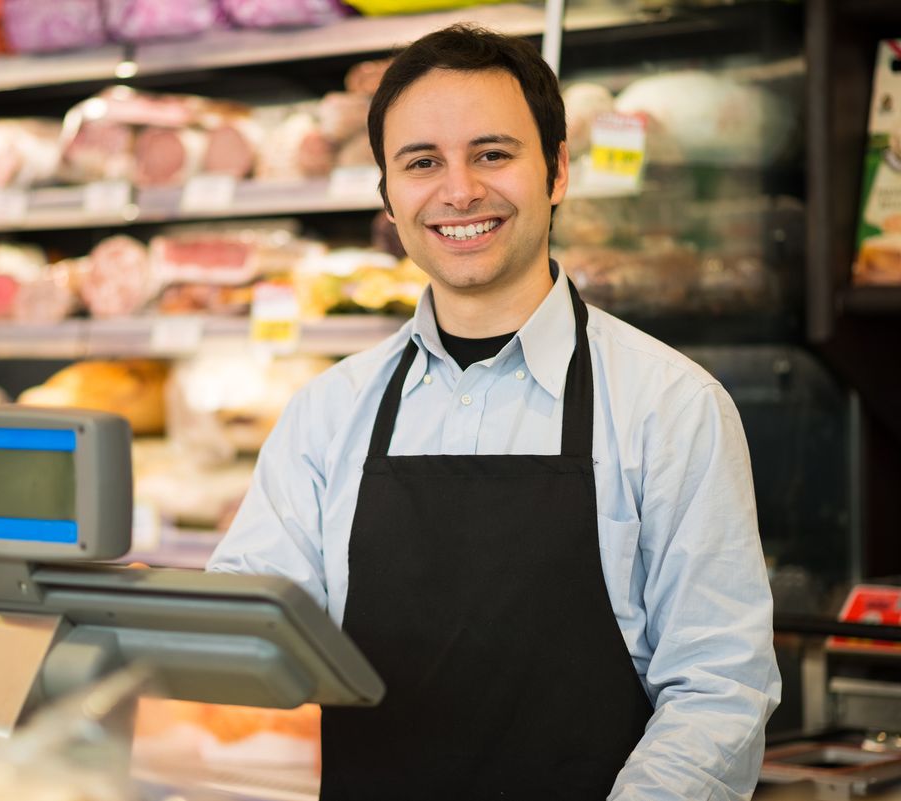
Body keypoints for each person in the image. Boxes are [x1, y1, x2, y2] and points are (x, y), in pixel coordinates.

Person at [208, 24, 780, 801]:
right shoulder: (327, 412)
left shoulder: (672, 406)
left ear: (557, 171)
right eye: (422, 163)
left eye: (492, 154)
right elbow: (251, 637)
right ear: (388, 197)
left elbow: (720, 688)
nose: (459, 191)